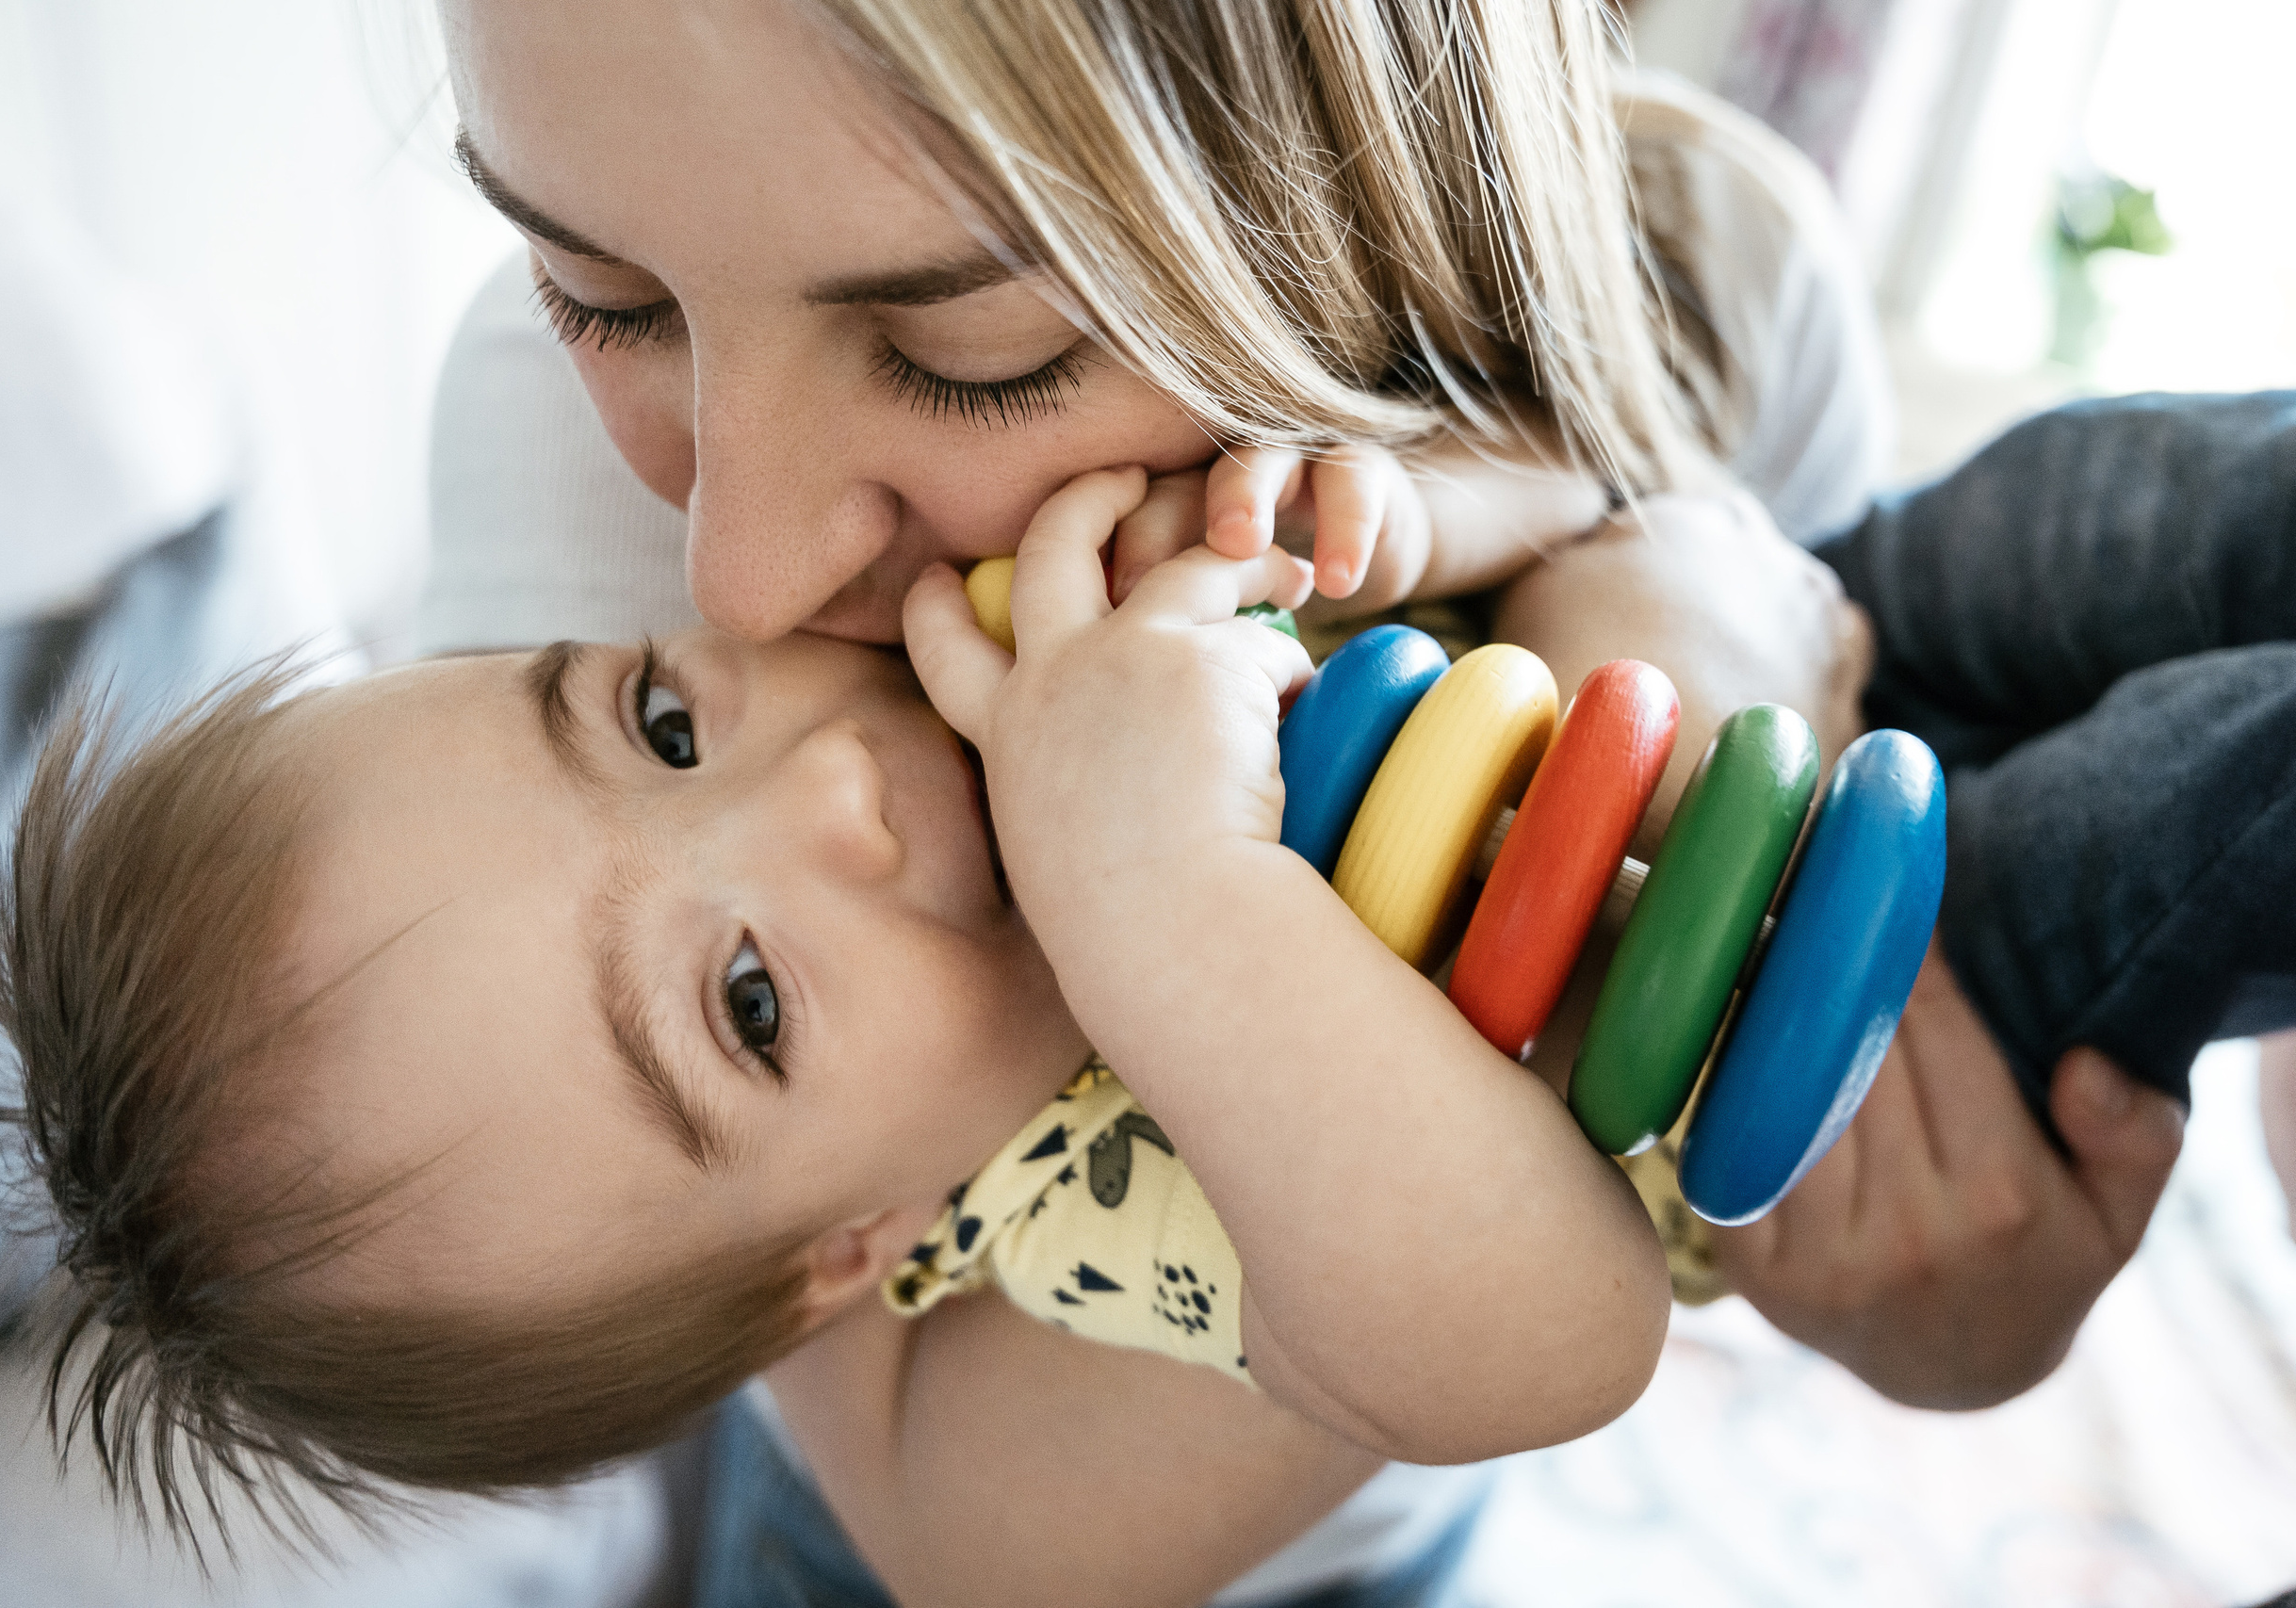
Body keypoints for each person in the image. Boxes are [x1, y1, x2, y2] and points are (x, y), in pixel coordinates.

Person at [427, 0, 2179, 1437]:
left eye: (975, 353)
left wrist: (1595, 547)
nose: (735, 583)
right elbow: (966, 1518)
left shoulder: (1715, 287)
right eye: (596, 292)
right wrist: (1163, 890)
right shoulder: (1022, 1173)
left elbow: (1626, 531)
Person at [0, 512, 1686, 1603]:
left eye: (662, 723)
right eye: (750, 1007)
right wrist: (1173, 891)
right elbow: (1559, 1336)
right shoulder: (1089, 1229)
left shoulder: (973, 589)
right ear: (860, 1248)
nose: (829, 787)